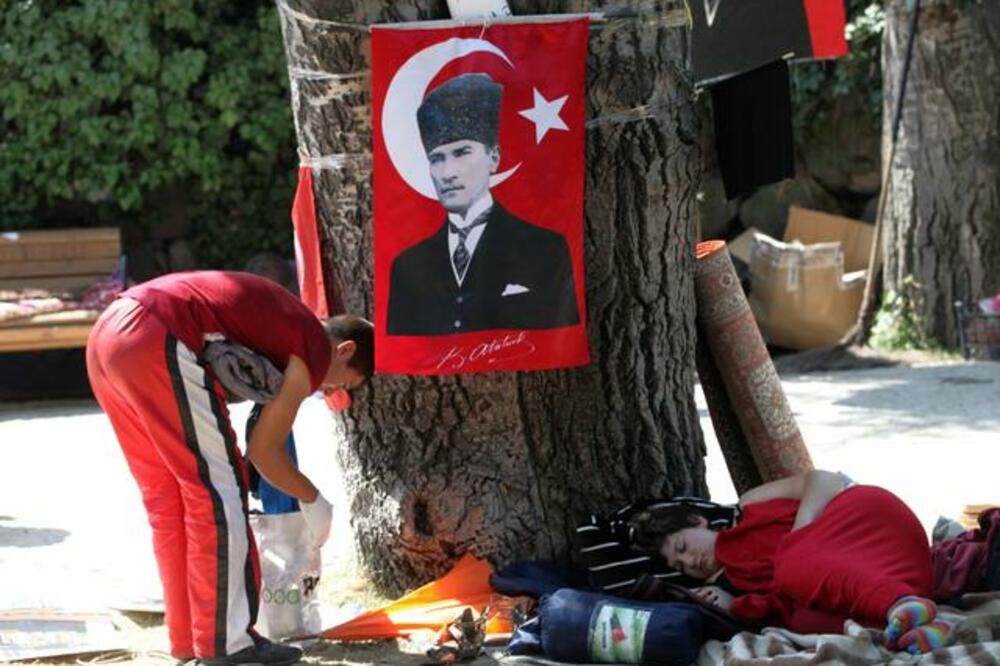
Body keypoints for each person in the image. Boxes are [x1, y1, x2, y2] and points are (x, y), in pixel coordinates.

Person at [86, 270, 374, 665]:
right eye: (344, 383)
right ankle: (228, 644)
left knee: (168, 498)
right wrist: (314, 500)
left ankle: (188, 641)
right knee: (218, 493)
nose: (332, 392)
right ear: (343, 351)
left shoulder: (287, 326)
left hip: (107, 334)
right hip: (158, 333)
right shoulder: (313, 350)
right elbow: (264, 451)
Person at [633, 470, 951, 654]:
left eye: (684, 546)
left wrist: (801, 536)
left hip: (868, 523)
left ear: (698, 520)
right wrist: (731, 603)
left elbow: (826, 479)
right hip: (901, 580)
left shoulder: (746, 508)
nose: (691, 561)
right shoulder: (730, 585)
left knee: (791, 566)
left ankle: (896, 603)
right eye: (680, 566)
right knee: (801, 618)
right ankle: (913, 625)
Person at [387, 73, 580, 336]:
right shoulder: (408, 265)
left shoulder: (544, 248)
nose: (447, 172)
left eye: (462, 152)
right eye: (437, 158)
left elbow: (560, 336)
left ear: (494, 157)